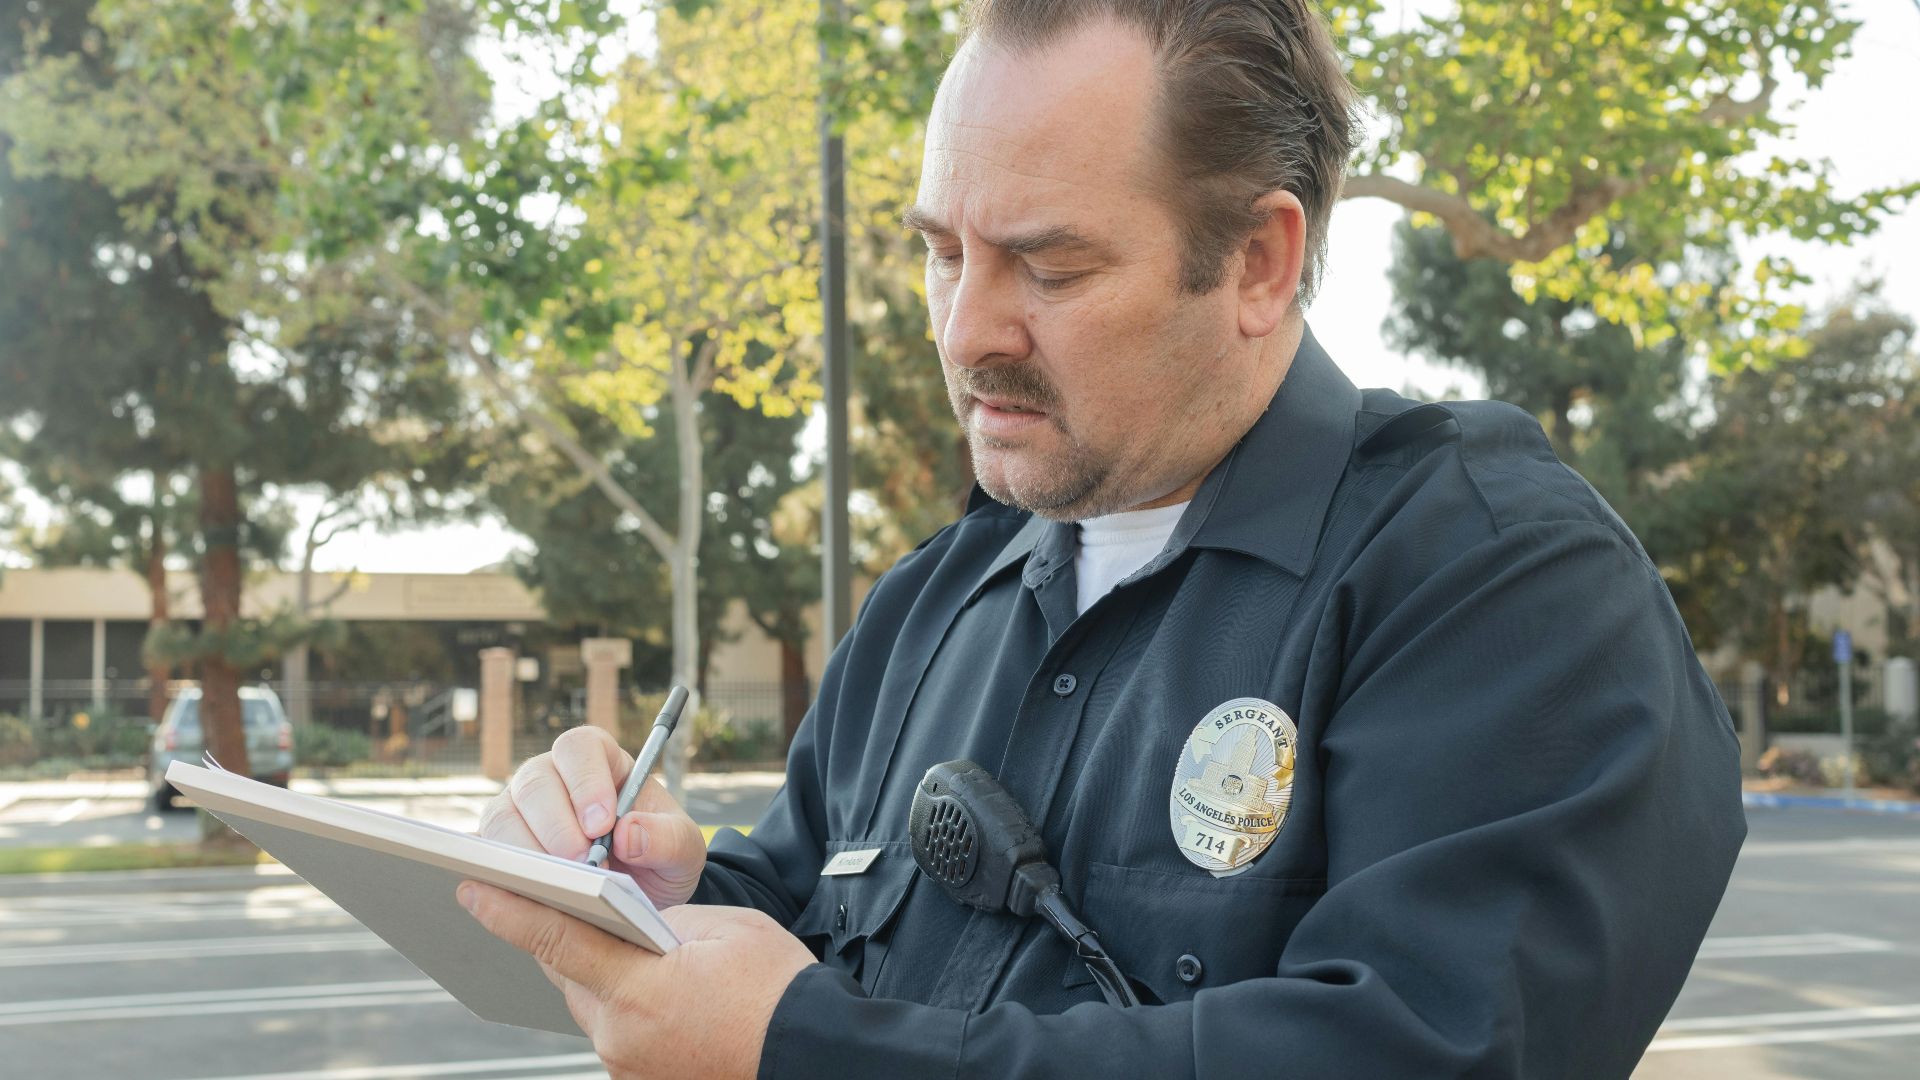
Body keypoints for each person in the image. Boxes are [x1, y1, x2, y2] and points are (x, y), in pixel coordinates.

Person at [463, 1, 1747, 1076]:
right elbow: (797, 921)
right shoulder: (932, 605)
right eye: (940, 253)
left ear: (1256, 259)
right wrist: (630, 886)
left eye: (1050, 269)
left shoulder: (1496, 579)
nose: (969, 331)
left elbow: (1410, 1052)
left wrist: (810, 1051)